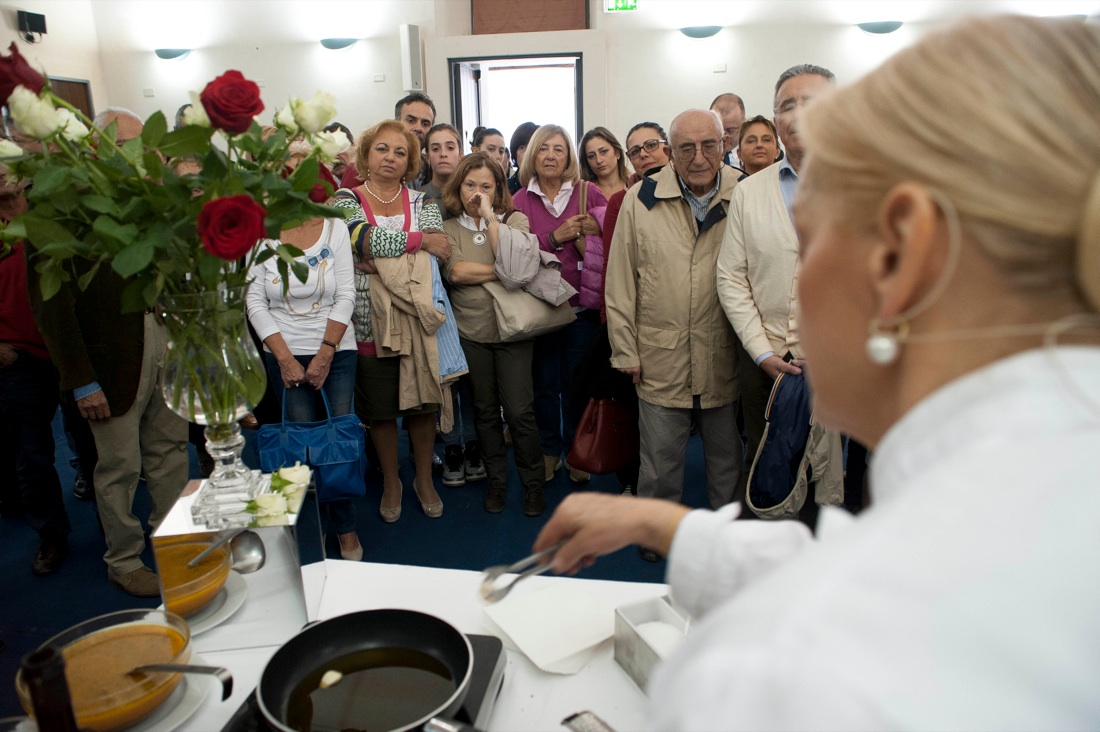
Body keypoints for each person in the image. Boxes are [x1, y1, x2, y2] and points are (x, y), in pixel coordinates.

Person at [539, 15, 1100, 727]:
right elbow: (894, 567)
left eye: (813, 237)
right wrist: (669, 526)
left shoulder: (774, 672)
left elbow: (850, 601)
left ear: (900, 253)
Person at [30, 108, 189, 597]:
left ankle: (173, 544)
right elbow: (52, 307)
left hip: (163, 338)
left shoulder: (149, 199)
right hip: (107, 360)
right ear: (94, 147)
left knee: (170, 451)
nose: (141, 154)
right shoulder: (56, 208)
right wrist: (81, 378)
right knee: (119, 467)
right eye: (129, 143)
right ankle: (123, 559)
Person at [604, 109, 742, 550]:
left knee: (727, 458)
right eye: (686, 147)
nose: (698, 157)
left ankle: (725, 534)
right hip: (659, 351)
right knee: (660, 459)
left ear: (724, 146)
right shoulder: (639, 199)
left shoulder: (745, 193)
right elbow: (620, 280)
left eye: (709, 145)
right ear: (670, 150)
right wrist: (624, 350)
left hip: (725, 350)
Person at [717, 64, 844, 515]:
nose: (797, 114)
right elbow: (731, 276)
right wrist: (759, 350)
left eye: (810, 102)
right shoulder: (752, 192)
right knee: (770, 472)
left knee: (835, 478)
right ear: (775, 123)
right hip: (768, 363)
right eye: (786, 106)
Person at [333, 120, 454, 523]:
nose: (390, 157)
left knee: (422, 405)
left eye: (400, 152)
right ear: (366, 156)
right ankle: (391, 480)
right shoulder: (345, 198)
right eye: (382, 149)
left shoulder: (425, 204)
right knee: (380, 410)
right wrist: (415, 242)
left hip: (419, 316)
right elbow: (360, 238)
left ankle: (423, 478)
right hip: (366, 321)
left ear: (410, 162)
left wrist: (375, 261)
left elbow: (439, 251)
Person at [246, 144, 362, 562]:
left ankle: (345, 528)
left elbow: (346, 293)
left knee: (338, 443)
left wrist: (327, 351)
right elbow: (255, 301)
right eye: (286, 170)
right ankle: (305, 530)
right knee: (300, 444)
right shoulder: (260, 229)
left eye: (302, 170)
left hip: (336, 349)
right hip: (285, 351)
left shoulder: (334, 225)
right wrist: (284, 358)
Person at [440, 152, 546, 516]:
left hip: (514, 331)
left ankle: (533, 484)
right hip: (471, 332)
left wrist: (489, 217)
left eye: (486, 186)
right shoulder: (449, 226)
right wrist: (504, 271)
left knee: (519, 412)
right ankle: (497, 482)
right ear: (459, 185)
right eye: (470, 185)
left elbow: (516, 261)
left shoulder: (514, 219)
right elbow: (456, 273)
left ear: (498, 188)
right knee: (484, 412)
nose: (476, 192)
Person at [511, 124, 607, 484]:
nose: (551, 155)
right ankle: (550, 449)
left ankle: (577, 450)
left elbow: (611, 238)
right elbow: (513, 253)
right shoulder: (519, 199)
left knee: (577, 384)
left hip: (582, 306)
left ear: (569, 157)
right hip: (541, 308)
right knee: (545, 384)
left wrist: (592, 232)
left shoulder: (589, 192)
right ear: (532, 155)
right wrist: (555, 236)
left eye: (559, 149)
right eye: (544, 149)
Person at [0, 135, 71, 576]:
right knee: (33, 456)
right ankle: (51, 535)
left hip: (68, 349)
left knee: (91, 446)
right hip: (18, 359)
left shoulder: (53, 215)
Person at [340, 92, 437, 190]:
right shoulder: (360, 168)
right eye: (411, 121)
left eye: (425, 124)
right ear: (396, 123)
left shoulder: (432, 170)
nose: (418, 128)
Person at [579, 126, 630, 202]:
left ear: (617, 153)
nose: (599, 160)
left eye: (603, 151)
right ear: (586, 162)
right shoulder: (581, 193)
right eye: (591, 156)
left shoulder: (634, 187)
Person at [419, 123, 462, 211]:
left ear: (460, 155)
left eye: (450, 148)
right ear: (427, 158)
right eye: (435, 149)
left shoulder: (469, 195)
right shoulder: (417, 197)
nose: (443, 154)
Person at [709, 92, 745, 167]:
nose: (724, 136)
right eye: (720, 129)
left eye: (731, 131)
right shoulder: (701, 157)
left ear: (743, 125)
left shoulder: (752, 155)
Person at [507, 121, 538, 195]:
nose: (527, 154)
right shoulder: (505, 189)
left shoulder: (551, 187)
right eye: (522, 148)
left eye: (531, 147)